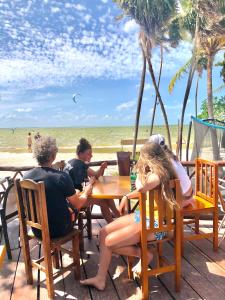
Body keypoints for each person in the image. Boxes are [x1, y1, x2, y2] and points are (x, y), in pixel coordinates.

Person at [80, 142, 177, 290]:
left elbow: (147, 185)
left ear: (149, 158)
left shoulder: (161, 173)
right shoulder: (154, 172)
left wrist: (139, 178)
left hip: (160, 229)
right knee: (103, 232)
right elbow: (142, 190)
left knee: (109, 242)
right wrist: (126, 196)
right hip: (144, 218)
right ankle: (100, 278)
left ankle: (144, 255)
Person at [23, 136, 94, 239]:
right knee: (76, 204)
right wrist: (87, 191)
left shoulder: (26, 177)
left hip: (37, 230)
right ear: (53, 156)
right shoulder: (60, 177)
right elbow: (78, 204)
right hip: (59, 229)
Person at [64, 138, 120, 223]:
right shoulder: (79, 165)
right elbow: (81, 188)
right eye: (88, 154)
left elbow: (96, 175)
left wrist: (101, 167)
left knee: (107, 197)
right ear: (80, 154)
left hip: (69, 198)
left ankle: (118, 218)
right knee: (103, 201)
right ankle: (114, 223)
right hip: (73, 201)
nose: (91, 156)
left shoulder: (74, 162)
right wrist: (90, 183)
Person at [149, 134, 194, 208]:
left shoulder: (162, 162)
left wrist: (140, 172)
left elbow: (143, 187)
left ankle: (138, 218)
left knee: (147, 204)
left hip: (181, 202)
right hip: (189, 195)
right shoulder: (171, 156)